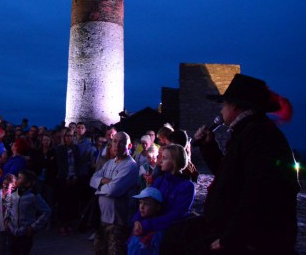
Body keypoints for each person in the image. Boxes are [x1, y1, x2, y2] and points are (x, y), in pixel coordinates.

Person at [161, 74, 300, 255]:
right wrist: (209, 146)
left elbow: (259, 193)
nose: (221, 110)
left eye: (224, 104)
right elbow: (229, 177)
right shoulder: (247, 132)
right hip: (229, 225)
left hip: (255, 237)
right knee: (174, 235)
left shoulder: (259, 136)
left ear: (234, 106)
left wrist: (231, 237)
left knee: (180, 244)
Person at [132, 144, 195, 243]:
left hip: (170, 235)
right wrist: (137, 220)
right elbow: (145, 200)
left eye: (164, 158)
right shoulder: (160, 180)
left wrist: (146, 224)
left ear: (174, 162)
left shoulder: (186, 187)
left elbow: (177, 215)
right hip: (149, 228)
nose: (160, 161)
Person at [89, 131, 138, 255]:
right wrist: (106, 181)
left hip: (118, 223)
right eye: (115, 141)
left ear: (129, 146)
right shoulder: (109, 163)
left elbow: (113, 190)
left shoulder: (130, 166)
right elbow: (92, 180)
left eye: (122, 142)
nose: (117, 145)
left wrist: (99, 187)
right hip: (102, 219)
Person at [4, 169, 51, 255]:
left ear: (27, 184)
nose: (16, 179)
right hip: (12, 231)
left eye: (19, 178)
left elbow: (47, 211)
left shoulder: (33, 196)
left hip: (25, 233)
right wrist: (6, 219)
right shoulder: (14, 194)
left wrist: (34, 226)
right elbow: (8, 206)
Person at [55, 129, 81, 236]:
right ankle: (62, 224)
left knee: (71, 201)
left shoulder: (75, 148)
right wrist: (65, 175)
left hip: (73, 177)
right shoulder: (60, 149)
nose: (69, 138)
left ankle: (69, 223)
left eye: (71, 136)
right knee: (63, 202)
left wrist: (75, 175)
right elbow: (60, 164)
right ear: (64, 137)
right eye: (67, 136)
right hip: (63, 178)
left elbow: (77, 163)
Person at [127, 187, 163, 255]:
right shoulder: (137, 225)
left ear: (157, 207)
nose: (141, 207)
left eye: (146, 204)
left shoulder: (157, 232)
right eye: (140, 203)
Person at [0, 173, 17, 255]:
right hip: (1, 220)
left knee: (11, 241)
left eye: (8, 184)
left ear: (13, 185)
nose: (5, 186)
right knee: (2, 240)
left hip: (11, 221)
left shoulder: (15, 195)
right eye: (4, 183)